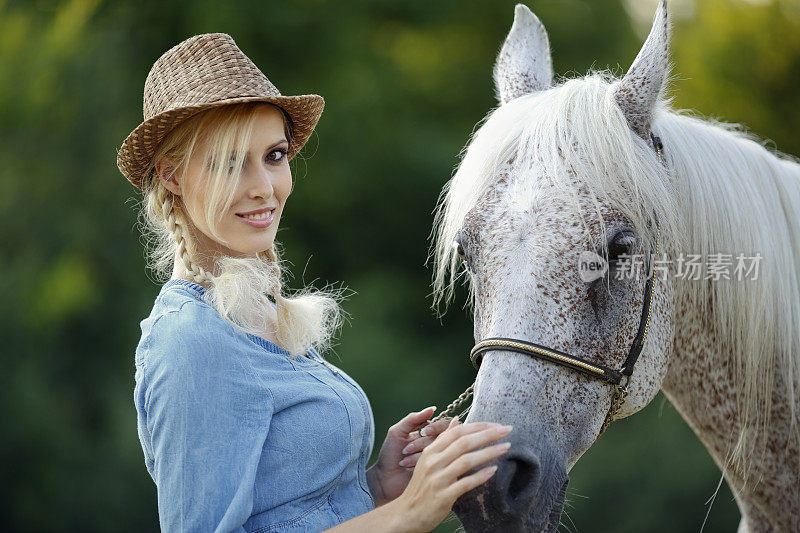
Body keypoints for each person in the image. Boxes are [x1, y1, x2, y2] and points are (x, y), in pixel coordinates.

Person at [117, 32, 512, 532]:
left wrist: (379, 487)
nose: (264, 188)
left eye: (274, 156)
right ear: (170, 176)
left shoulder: (251, 315)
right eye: (228, 162)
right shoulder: (189, 340)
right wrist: (408, 516)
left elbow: (289, 515)